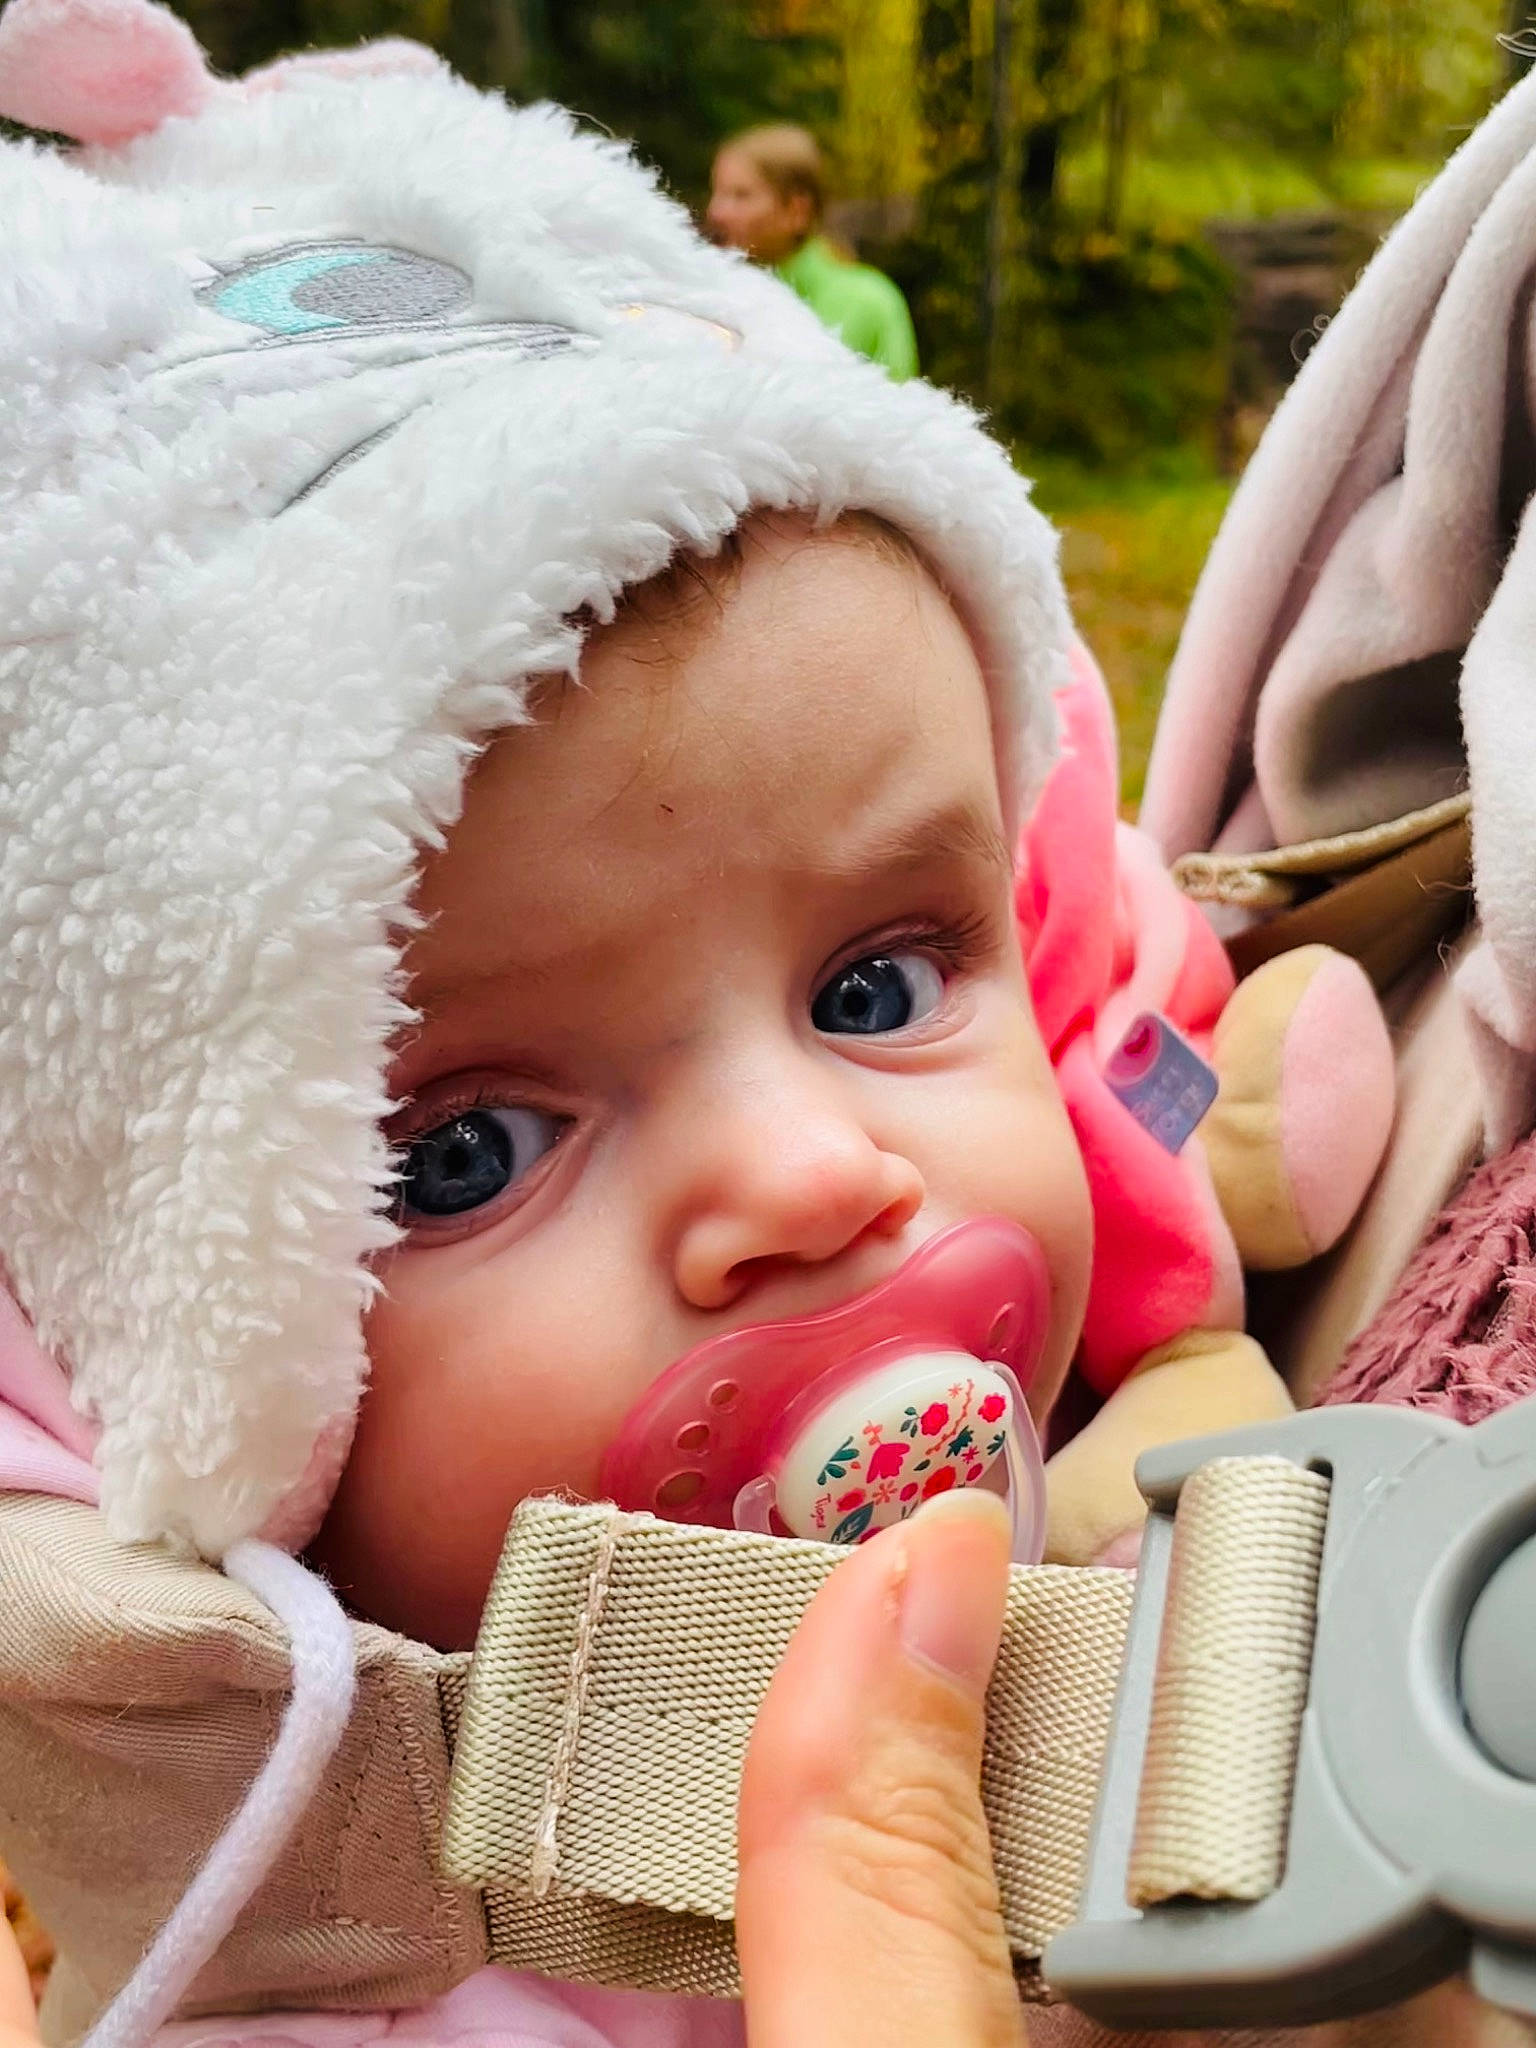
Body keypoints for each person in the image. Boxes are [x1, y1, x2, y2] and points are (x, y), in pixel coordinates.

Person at [0, 5, 1389, 2045]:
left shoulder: (1211, 1620)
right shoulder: (308, 1944)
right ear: (114, 1383)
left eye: (880, 986)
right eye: (460, 1148)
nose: (821, 1177)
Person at [707, 123, 920, 379]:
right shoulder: (714, 299)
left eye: (740, 195)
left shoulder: (870, 302)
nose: (716, 212)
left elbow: (899, 411)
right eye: (717, 192)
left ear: (797, 210)